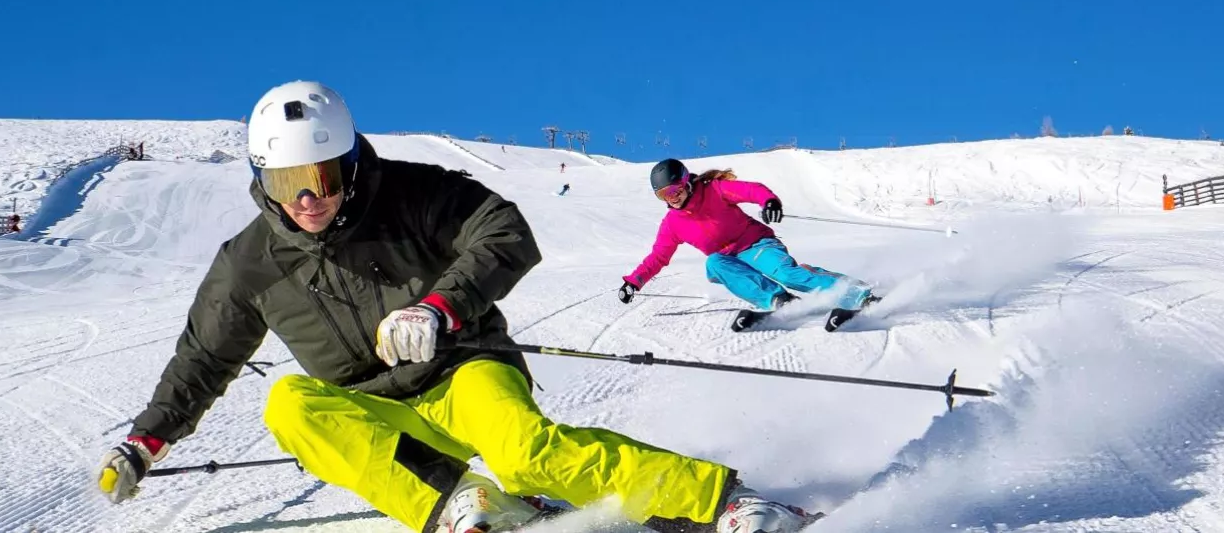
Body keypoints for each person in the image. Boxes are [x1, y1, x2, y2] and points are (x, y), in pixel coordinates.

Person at [97, 81, 811, 533]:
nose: (306, 198)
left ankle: (722, 502)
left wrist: (440, 306)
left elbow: (506, 231)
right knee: (288, 402)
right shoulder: (249, 261)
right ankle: (465, 504)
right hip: (379, 409)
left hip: (463, 369)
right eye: (286, 181)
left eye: (319, 176)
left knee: (527, 454)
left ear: (348, 163)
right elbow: (203, 357)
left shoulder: (410, 193)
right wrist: (145, 441)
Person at [620, 160, 871, 327]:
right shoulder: (672, 224)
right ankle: (778, 301)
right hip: (729, 259)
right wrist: (634, 282)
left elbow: (751, 190)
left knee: (785, 273)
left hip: (757, 244)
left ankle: (857, 294)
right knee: (714, 262)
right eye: (663, 195)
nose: (672, 198)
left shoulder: (714, 190)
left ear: (686, 182)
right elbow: (658, 257)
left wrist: (769, 201)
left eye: (674, 190)